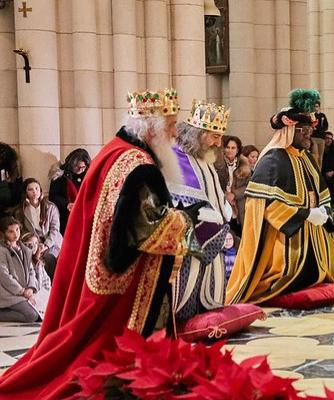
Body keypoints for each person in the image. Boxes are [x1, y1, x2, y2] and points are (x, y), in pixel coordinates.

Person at [0, 88, 200, 399]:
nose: (175, 134)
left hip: (100, 272)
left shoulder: (115, 150)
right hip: (122, 287)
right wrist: (185, 221)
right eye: (171, 126)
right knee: (99, 357)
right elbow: (144, 229)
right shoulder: (137, 163)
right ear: (151, 127)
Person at [226, 89, 334, 305]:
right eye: (304, 131)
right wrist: (305, 215)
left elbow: (321, 188)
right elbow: (266, 204)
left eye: (309, 130)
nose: (309, 135)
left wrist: (323, 209)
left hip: (311, 233)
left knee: (323, 270)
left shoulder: (305, 157)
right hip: (286, 237)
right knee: (290, 273)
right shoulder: (273, 159)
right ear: (290, 131)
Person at [163, 99, 232, 323]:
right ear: (198, 133)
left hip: (214, 235)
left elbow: (215, 193)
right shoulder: (177, 157)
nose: (218, 142)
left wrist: (225, 212)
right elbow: (182, 202)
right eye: (214, 135)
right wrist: (211, 219)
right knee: (187, 291)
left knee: (209, 299)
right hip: (191, 239)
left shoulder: (203, 158)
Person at [13, 178, 62, 278]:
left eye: (36, 188)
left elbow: (55, 230)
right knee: (29, 262)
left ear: (40, 189)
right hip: (32, 243)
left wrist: (46, 245)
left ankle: (49, 286)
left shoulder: (51, 207)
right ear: (26, 193)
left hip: (51, 243)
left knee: (49, 259)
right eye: (30, 189)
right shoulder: (20, 211)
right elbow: (21, 231)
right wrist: (33, 243)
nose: (34, 191)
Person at [0, 217, 38, 323]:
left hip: (25, 292)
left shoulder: (24, 249)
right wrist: (21, 291)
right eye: (11, 231)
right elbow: (4, 275)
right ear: (4, 233)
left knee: (40, 313)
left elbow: (31, 271)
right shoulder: (2, 250)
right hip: (9, 293)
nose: (15, 234)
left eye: (17, 230)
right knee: (31, 316)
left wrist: (31, 288)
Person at [48, 149, 90, 233]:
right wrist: (67, 204)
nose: (80, 170)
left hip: (85, 216)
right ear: (71, 164)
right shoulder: (60, 175)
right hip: (65, 217)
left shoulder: (88, 173)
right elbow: (53, 196)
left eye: (83, 167)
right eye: (77, 167)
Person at [20, 232, 51, 318]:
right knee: (34, 315)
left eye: (36, 243)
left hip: (40, 296)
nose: (34, 246)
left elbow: (46, 280)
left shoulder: (38, 262)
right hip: (28, 296)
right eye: (30, 244)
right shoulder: (23, 260)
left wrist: (46, 292)